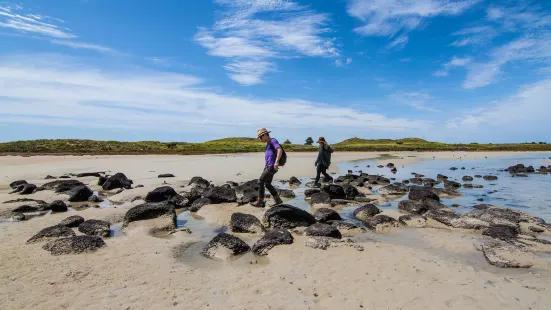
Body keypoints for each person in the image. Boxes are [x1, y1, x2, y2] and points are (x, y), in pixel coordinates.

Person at [251, 128, 284, 207]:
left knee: (260, 182)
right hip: (268, 166)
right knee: (267, 184)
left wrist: (276, 161)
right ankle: (278, 200)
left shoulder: (273, 141)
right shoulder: (268, 143)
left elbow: (279, 149)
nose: (260, 139)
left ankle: (260, 201)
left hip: (271, 166)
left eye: (260, 137)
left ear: (265, 135)